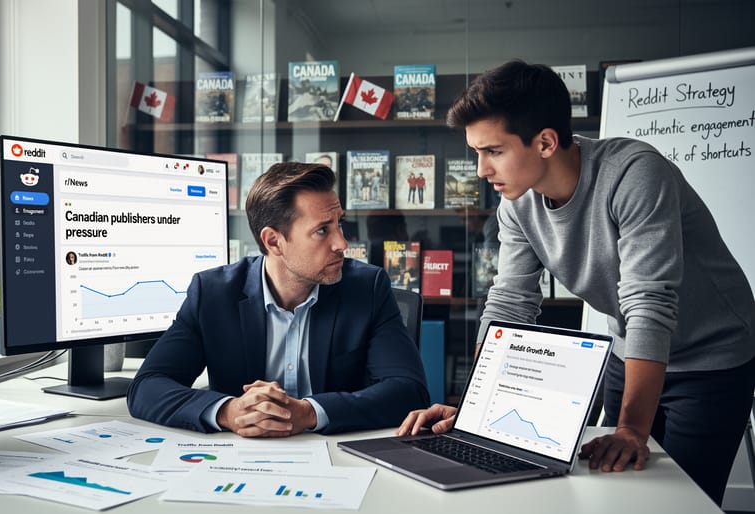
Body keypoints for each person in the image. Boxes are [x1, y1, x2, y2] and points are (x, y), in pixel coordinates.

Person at [396, 60, 755, 505]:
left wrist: (631, 429)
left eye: (493, 151)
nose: (480, 170)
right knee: (614, 492)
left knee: (680, 501)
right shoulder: (517, 205)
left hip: (710, 357)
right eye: (476, 152)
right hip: (631, 352)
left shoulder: (635, 174)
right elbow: (509, 304)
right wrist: (476, 411)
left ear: (545, 142)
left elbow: (649, 302)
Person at [128, 162, 429, 437]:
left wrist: (311, 413)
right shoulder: (213, 293)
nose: (342, 243)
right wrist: (228, 412)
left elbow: (409, 391)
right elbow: (147, 387)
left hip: (339, 458)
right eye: (322, 230)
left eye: (339, 223)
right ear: (274, 241)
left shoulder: (367, 287)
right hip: (236, 463)